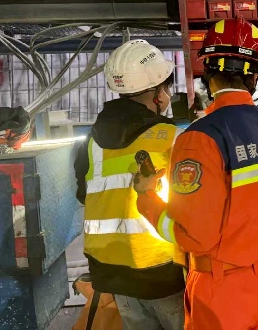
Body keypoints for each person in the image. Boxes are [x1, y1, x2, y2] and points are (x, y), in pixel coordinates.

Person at [134, 17, 258, 330]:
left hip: (223, 290)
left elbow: (196, 237)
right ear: (255, 76)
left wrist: (147, 199)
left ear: (207, 72)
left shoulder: (199, 138)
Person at [74, 40, 185, 330]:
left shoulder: (91, 141)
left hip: (112, 273)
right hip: (163, 269)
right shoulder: (169, 135)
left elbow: (84, 195)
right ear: (158, 92)